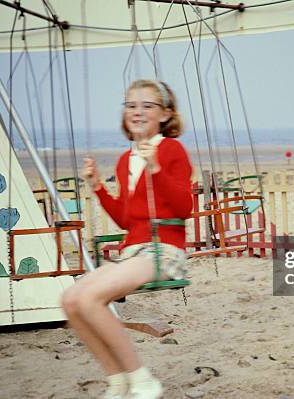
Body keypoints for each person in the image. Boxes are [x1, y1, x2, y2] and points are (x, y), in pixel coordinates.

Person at [61, 79, 193, 399]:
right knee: (71, 300)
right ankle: (118, 380)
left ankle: (142, 378)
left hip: (163, 250)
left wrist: (157, 169)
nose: (137, 111)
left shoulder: (172, 149)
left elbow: (185, 207)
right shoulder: (124, 160)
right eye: (131, 105)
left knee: (90, 299)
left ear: (165, 114)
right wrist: (97, 187)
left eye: (147, 105)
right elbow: (126, 218)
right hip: (134, 251)